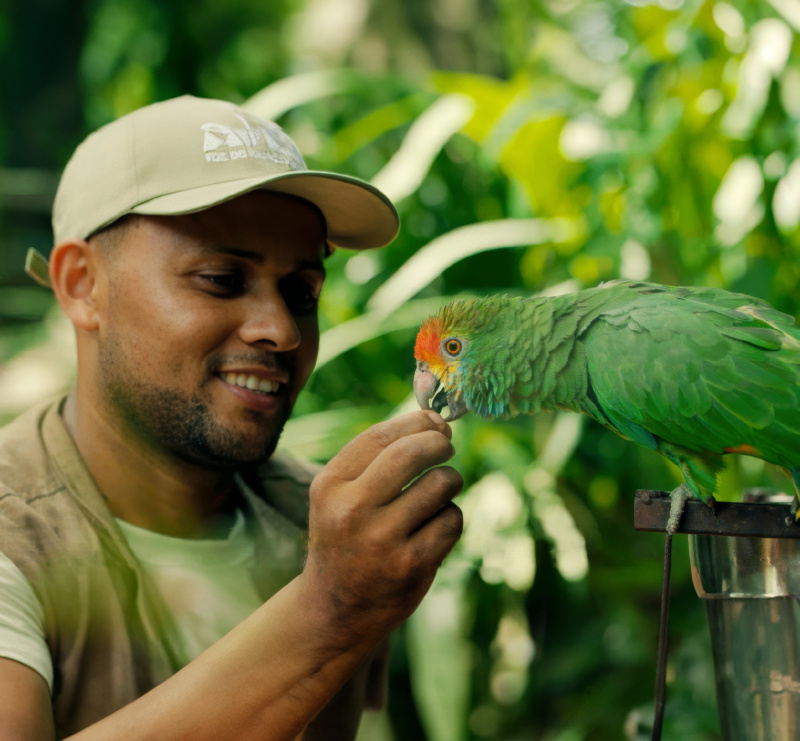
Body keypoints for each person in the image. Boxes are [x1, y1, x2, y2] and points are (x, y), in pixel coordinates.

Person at [0, 95, 463, 740]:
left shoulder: (330, 526)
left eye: (302, 293)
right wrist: (327, 610)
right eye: (221, 279)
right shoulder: (12, 534)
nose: (281, 330)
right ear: (82, 286)